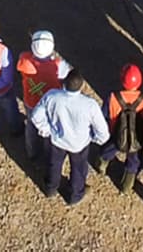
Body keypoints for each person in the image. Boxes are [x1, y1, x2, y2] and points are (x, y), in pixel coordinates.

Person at [34, 76, 109, 206]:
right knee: (79, 170)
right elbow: (103, 131)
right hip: (80, 144)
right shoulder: (90, 105)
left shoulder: (52, 96)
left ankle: (50, 189)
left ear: (64, 83)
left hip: (57, 141)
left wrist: (46, 130)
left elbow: (36, 116)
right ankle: (75, 196)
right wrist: (95, 138)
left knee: (53, 165)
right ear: (82, 86)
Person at [16, 29, 68, 162]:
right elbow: (69, 74)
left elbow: (23, 55)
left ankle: (31, 151)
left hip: (31, 101)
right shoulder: (58, 65)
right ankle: (47, 154)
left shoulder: (24, 59)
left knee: (31, 125)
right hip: (50, 105)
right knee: (49, 129)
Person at [102, 64, 143, 193]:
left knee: (110, 148)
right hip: (137, 137)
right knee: (134, 160)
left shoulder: (113, 97)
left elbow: (105, 114)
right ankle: (127, 185)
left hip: (116, 133)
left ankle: (102, 164)